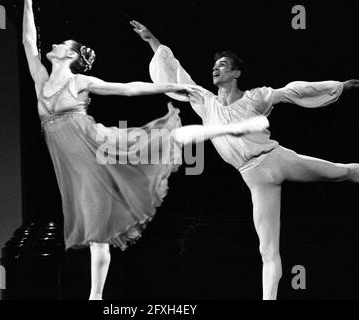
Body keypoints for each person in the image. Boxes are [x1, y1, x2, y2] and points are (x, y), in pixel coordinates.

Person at [21, 0, 269, 300]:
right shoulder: (41, 80)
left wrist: (168, 88)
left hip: (95, 148)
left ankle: (232, 128)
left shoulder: (79, 81)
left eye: (62, 43)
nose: (55, 44)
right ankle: (95, 297)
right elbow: (28, 41)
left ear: (70, 55)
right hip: (71, 163)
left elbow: (128, 88)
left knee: (167, 140)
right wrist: (28, 3)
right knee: (96, 231)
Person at [130, 19, 359, 300]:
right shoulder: (206, 102)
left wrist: (339, 86)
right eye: (215, 65)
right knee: (267, 250)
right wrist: (152, 40)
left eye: (223, 65)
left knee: (343, 172)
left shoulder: (255, 98)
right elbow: (176, 77)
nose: (216, 68)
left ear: (236, 73)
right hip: (254, 178)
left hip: (276, 159)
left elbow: (294, 90)